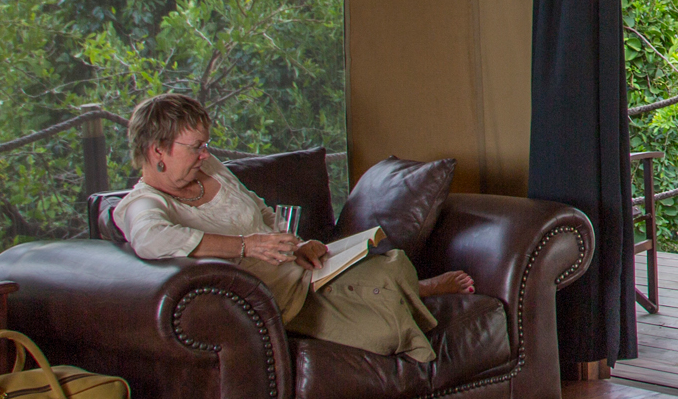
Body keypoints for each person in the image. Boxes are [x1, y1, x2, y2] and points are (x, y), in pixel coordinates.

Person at [111, 93, 473, 361]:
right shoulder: (142, 205)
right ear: (158, 150)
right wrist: (247, 246)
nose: (205, 154)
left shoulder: (211, 169)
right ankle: (416, 292)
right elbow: (151, 240)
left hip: (301, 270)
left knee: (391, 262)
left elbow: (262, 213)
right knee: (385, 333)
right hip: (278, 301)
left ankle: (412, 288)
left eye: (206, 144)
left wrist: (297, 244)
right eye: (195, 147)